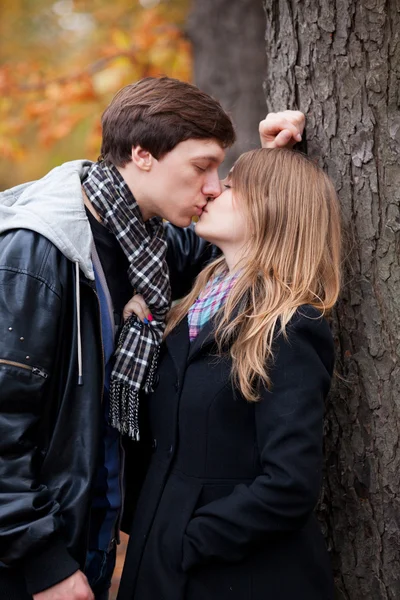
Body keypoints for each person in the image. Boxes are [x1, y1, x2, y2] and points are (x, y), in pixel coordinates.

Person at [0, 75, 304, 600]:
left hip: (91, 535)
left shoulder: (148, 245)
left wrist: (275, 160)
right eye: (201, 167)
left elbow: (238, 249)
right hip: (30, 561)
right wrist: (41, 561)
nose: (213, 186)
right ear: (143, 155)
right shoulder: (37, 255)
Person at [118, 147, 342, 600]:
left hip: (235, 575)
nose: (215, 189)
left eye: (232, 186)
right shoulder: (189, 310)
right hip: (160, 562)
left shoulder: (290, 327)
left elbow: (289, 485)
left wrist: (191, 539)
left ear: (270, 209)